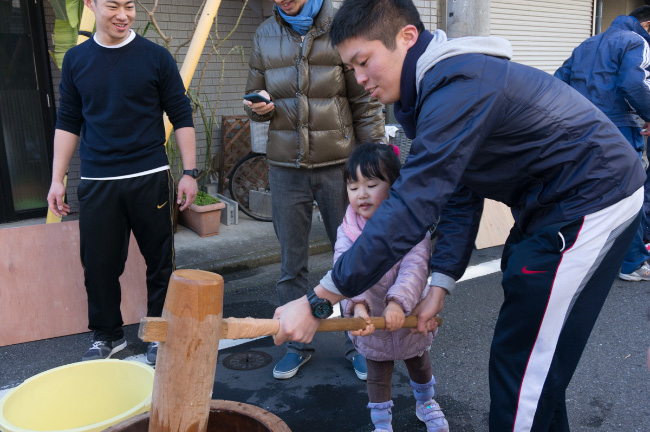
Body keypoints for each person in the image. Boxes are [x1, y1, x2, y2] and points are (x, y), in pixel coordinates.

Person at [271, 0, 647, 430]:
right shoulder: (434, 92)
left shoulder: (458, 86)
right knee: (534, 362)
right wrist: (441, 282)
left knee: (523, 364)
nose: (358, 80)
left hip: (592, 199)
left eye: (363, 62)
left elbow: (412, 205)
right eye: (351, 68)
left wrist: (320, 299)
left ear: (407, 38)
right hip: (553, 206)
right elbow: (459, 190)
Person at [46, 0, 198, 364]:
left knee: (160, 262)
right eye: (113, 5)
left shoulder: (155, 57)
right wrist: (56, 179)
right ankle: (108, 336)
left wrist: (190, 173)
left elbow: (180, 113)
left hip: (149, 176)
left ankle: (159, 334)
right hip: (98, 179)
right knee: (98, 264)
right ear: (91, 5)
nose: (122, 14)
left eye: (129, 6)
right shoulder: (76, 60)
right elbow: (68, 121)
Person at [243, 0, 385, 381]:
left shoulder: (341, 23)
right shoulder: (264, 34)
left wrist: (377, 165)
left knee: (354, 254)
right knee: (291, 264)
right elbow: (253, 92)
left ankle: (359, 340)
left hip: (340, 166)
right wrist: (257, 108)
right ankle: (296, 342)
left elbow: (365, 101)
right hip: (285, 166)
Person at [337, 143, 448, 432]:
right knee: (377, 374)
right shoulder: (348, 230)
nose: (361, 194)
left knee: (420, 364)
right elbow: (344, 268)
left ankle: (425, 403)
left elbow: (416, 267)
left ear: (394, 186)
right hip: (371, 319)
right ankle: (382, 424)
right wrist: (357, 306)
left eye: (371, 184)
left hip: (409, 315)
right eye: (353, 187)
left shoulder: (411, 224)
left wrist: (398, 302)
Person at [554, 5, 650, 282]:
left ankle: (574, 255)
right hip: (618, 128)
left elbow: (559, 82)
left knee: (584, 190)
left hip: (579, 127)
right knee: (629, 194)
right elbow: (634, 83)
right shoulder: (636, 42)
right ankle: (630, 263)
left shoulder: (588, 43)